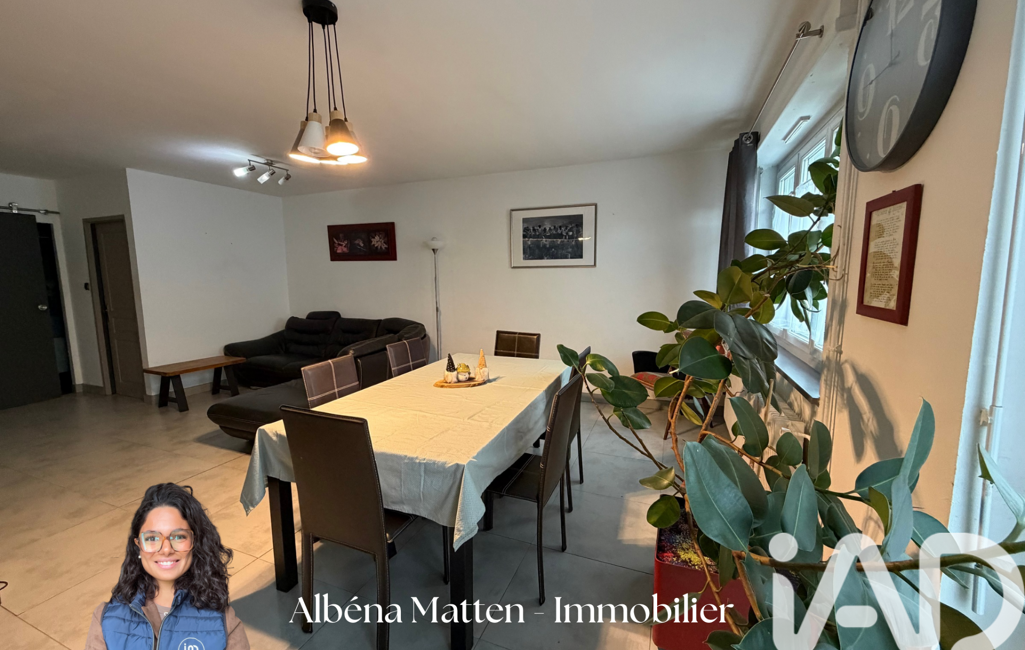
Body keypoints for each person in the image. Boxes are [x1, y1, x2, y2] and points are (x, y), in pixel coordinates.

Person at [84, 483, 249, 649]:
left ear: (195, 542)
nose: (166, 549)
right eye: (152, 538)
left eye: (179, 536)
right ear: (138, 546)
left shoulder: (225, 623)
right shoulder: (105, 620)